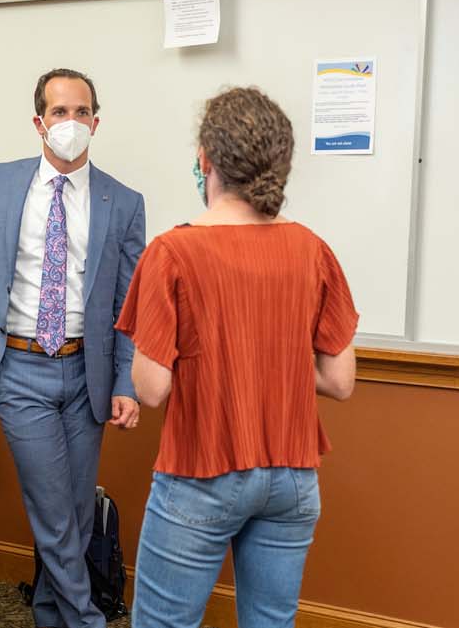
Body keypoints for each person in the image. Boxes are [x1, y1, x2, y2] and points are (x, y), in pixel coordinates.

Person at [117, 86, 359, 628]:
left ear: (206, 160)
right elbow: (340, 380)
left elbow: (151, 389)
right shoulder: (312, 248)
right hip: (293, 476)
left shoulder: (172, 252)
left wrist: (216, 358)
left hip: (202, 467)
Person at [0, 68, 146, 628]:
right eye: (60, 112)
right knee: (52, 509)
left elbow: (130, 308)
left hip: (87, 371)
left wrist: (125, 383)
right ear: (39, 122)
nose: (72, 122)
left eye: (82, 112)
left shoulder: (124, 202)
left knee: (72, 515)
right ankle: (87, 620)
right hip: (19, 367)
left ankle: (52, 616)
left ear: (97, 121)